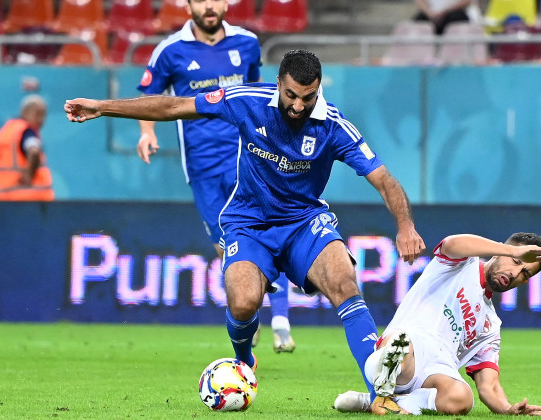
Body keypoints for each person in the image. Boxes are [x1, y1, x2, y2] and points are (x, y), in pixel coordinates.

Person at [65, 49, 426, 414]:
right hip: (248, 222)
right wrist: (102, 107)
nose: (299, 106)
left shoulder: (333, 124)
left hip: (303, 222)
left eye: (308, 97)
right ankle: (244, 362)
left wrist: (405, 225)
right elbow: (174, 107)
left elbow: (383, 178)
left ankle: (379, 394)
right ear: (279, 84)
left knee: (344, 281)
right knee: (242, 302)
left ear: (318, 90)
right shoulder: (245, 100)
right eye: (291, 95)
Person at [135, 0, 295, 353]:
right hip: (202, 164)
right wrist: (147, 132)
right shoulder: (169, 51)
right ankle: (249, 317)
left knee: (268, 229)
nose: (209, 6)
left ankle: (281, 319)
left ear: (227, 3)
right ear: (188, 4)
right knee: (227, 246)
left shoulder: (247, 43)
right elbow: (150, 94)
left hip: (248, 155)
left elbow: (258, 95)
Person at [333, 232, 541, 416]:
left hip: (436, 372)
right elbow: (451, 243)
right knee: (399, 344)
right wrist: (512, 250)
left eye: (524, 273)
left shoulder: (491, 326)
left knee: (463, 398)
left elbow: (488, 386)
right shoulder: (461, 264)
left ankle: (380, 401)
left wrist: (508, 409)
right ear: (502, 251)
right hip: (409, 347)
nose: (515, 272)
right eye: (516, 261)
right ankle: (382, 390)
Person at [0, 94, 54, 201]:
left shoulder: (7, 131)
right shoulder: (27, 131)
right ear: (26, 111)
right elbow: (34, 151)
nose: (41, 120)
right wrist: (29, 175)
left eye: (43, 116)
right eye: (38, 114)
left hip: (5, 199)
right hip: (31, 201)